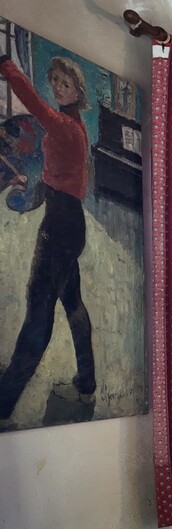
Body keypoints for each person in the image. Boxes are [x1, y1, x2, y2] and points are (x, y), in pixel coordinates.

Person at [0, 53, 94, 419]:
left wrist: (6, 65)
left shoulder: (65, 126)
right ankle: (86, 384)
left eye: (65, 84)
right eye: (54, 80)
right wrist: (37, 185)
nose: (57, 88)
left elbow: (33, 102)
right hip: (68, 221)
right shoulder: (75, 127)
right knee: (73, 304)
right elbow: (66, 179)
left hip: (59, 228)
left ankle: (5, 399)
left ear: (77, 93)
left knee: (38, 308)